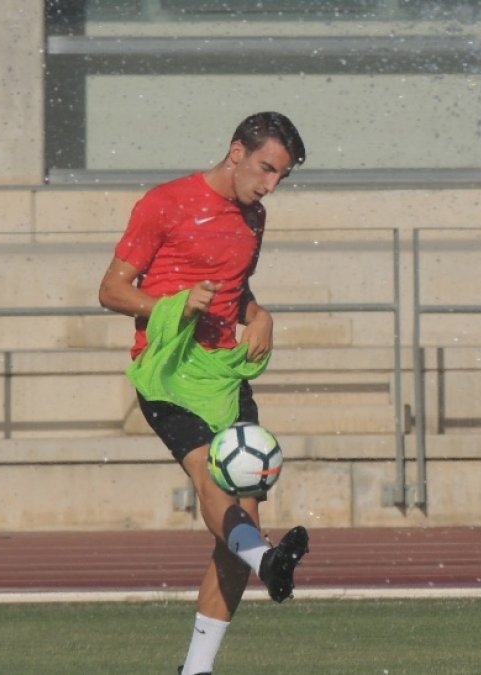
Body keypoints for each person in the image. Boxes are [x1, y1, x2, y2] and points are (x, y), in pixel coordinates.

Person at [97, 111, 309, 675]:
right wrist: (172, 305)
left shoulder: (254, 218)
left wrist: (258, 313)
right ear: (236, 151)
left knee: (243, 518)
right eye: (266, 169)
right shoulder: (164, 203)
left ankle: (197, 668)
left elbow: (234, 289)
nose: (270, 186)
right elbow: (112, 290)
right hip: (166, 369)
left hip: (223, 371)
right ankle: (267, 561)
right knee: (209, 475)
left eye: (282, 177)